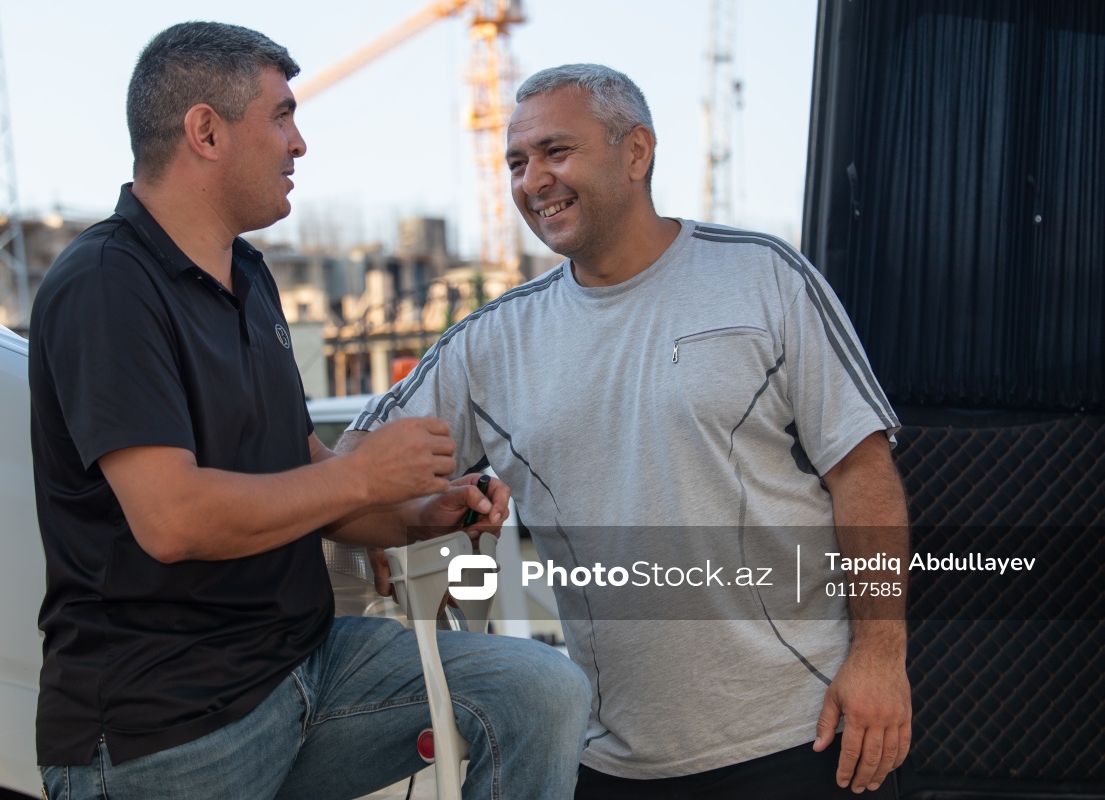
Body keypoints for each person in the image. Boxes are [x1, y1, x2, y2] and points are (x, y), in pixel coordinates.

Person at [28, 23, 588, 800]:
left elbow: (305, 473)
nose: (299, 143)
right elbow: (173, 520)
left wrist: (415, 514)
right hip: (169, 725)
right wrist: (365, 477)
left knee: (539, 692)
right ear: (205, 132)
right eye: (282, 115)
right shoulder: (105, 286)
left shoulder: (248, 277)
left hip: (305, 669)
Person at [342, 64, 911, 798]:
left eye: (556, 151)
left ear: (636, 151)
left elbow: (862, 474)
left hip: (807, 733)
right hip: (612, 761)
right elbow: (351, 468)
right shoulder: (492, 343)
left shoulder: (766, 278)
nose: (532, 181)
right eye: (516, 163)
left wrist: (880, 657)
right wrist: (404, 518)